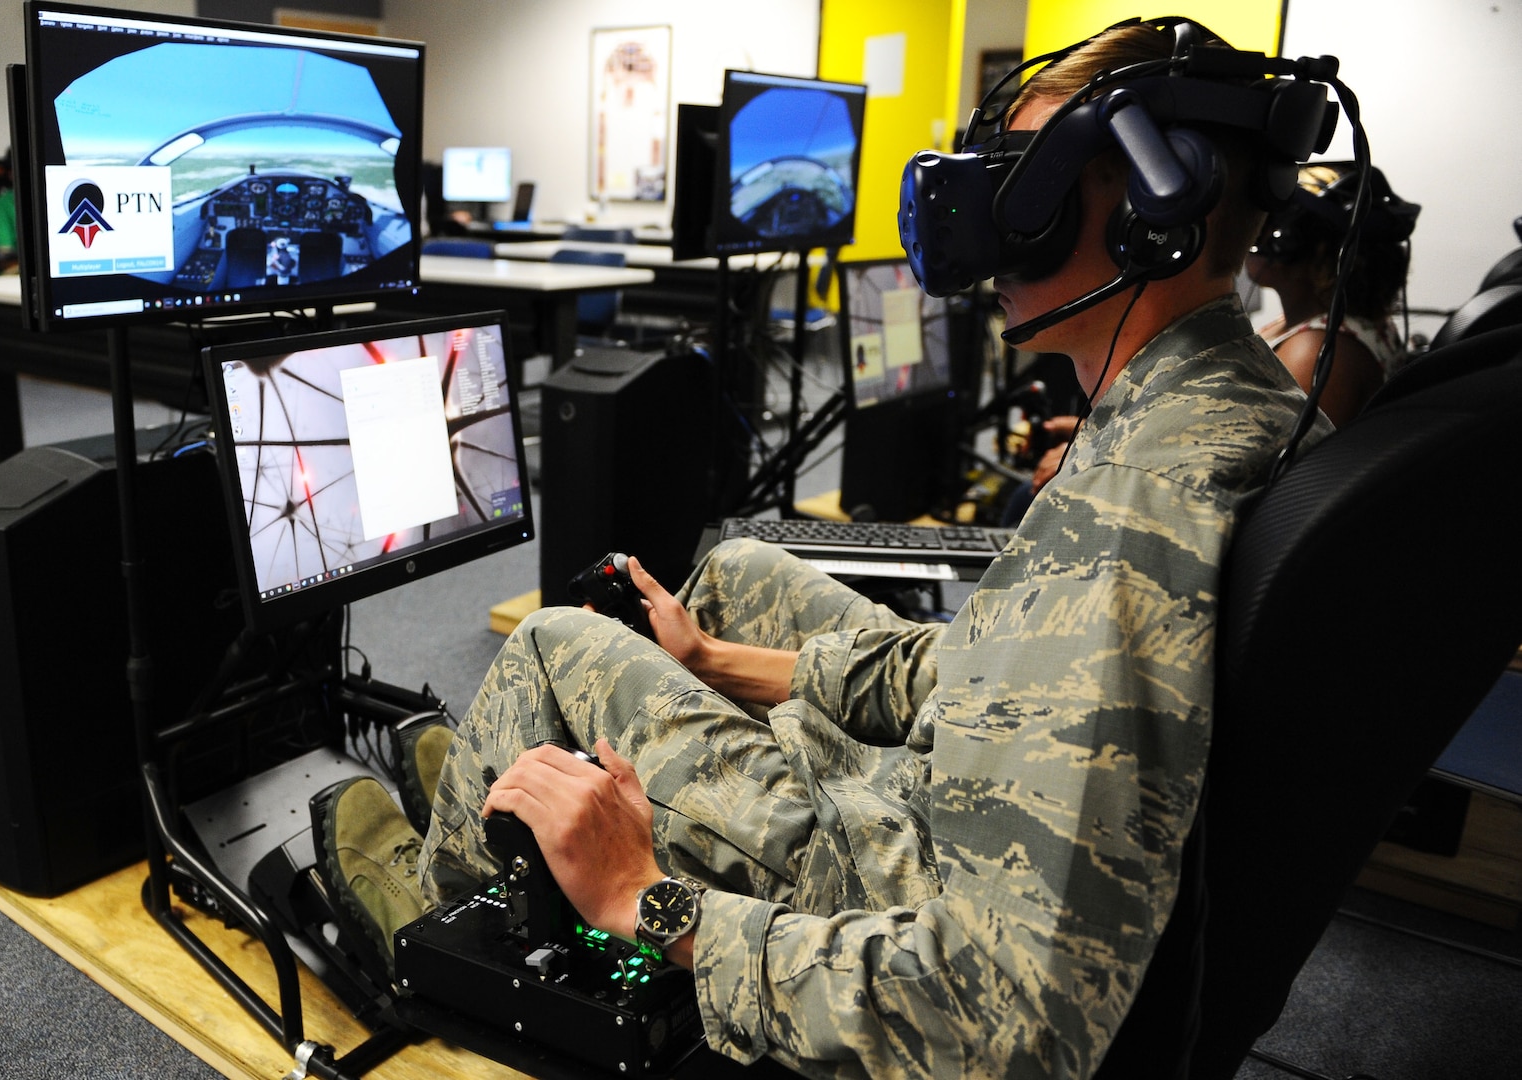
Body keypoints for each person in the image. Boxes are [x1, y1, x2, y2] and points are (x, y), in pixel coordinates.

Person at [319, 19, 1335, 1077]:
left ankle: (430, 922)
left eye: (1023, 187)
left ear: (1147, 218)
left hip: (896, 883)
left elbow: (1007, 1015)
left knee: (551, 645)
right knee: (744, 571)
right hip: (960, 791)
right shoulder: (1226, 402)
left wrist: (645, 901)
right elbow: (998, 673)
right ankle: (531, 776)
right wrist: (722, 666)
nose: (991, 220)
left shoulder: (1130, 510)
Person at [1246, 162, 1420, 425]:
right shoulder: (1325, 325)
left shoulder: (1314, 353)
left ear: (1289, 242)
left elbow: (1274, 462)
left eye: (1270, 220)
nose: (1255, 228)